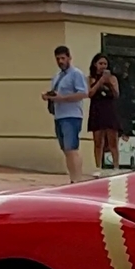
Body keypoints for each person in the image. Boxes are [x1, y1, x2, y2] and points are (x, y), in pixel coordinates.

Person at [41, 45, 90, 182]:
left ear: (69, 58)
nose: (61, 61)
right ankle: (72, 178)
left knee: (71, 148)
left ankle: (77, 180)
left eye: (63, 58)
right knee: (66, 150)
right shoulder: (57, 77)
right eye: (58, 59)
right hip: (59, 115)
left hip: (72, 115)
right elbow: (57, 94)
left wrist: (62, 98)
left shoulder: (76, 74)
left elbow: (83, 93)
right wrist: (48, 96)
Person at [84, 53, 122, 171]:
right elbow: (90, 93)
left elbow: (116, 94)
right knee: (98, 141)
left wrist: (109, 82)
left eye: (105, 64)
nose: (103, 66)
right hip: (97, 110)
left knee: (112, 141)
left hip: (109, 110)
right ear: (95, 64)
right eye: (100, 63)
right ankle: (98, 167)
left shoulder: (113, 78)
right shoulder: (91, 78)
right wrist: (100, 81)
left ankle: (116, 166)